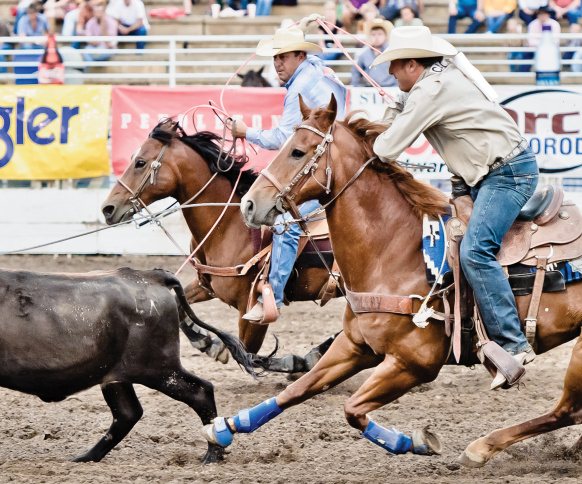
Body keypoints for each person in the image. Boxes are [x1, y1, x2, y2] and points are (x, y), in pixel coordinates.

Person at [371, 26, 538, 389]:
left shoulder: (430, 90)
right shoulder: (433, 81)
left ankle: (514, 344)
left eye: (394, 66)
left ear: (412, 64)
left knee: (476, 251)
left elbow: (386, 148)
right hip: (483, 174)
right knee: (457, 243)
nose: (390, 73)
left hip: (505, 174)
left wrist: (391, 113)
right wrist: (398, 102)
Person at [228, 25, 348, 322]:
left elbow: (284, 138)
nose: (277, 64)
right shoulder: (316, 68)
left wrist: (247, 132)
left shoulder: (299, 87)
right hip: (338, 153)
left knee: (286, 221)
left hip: (327, 164)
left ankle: (274, 298)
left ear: (299, 55)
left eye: (282, 57)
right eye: (275, 58)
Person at [351, 19, 397, 87]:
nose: (376, 37)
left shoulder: (392, 54)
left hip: (389, 89)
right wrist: (358, 86)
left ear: (385, 36)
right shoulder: (364, 55)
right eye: (373, 35)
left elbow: (399, 71)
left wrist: (396, 87)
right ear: (370, 37)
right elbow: (356, 72)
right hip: (370, 89)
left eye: (380, 34)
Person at [81, 1, 117, 68]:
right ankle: (90, 72)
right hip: (95, 47)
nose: (98, 14)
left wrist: (103, 23)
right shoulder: (90, 23)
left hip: (106, 49)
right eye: (96, 12)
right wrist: (99, 42)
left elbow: (109, 44)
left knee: (98, 52)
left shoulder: (111, 22)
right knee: (86, 51)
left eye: (100, 12)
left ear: (104, 12)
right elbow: (89, 41)